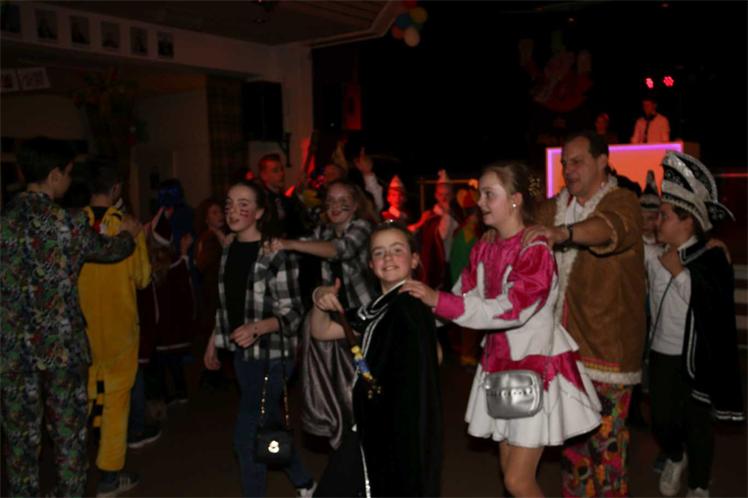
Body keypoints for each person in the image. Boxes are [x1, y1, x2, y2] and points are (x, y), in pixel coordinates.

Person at [403, 163, 601, 497]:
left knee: (517, 481)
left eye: (488, 194)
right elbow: (464, 295)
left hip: (535, 368)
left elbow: (511, 309)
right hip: (500, 370)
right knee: (510, 473)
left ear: (515, 199)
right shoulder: (485, 246)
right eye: (480, 194)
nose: (479, 202)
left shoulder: (534, 250)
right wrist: (416, 318)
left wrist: (438, 301)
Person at [1, 137, 140, 497]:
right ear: (54, 175)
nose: (69, 180)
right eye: (67, 173)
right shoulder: (67, 223)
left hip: (12, 350)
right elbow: (109, 251)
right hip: (63, 349)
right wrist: (129, 235)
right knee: (68, 438)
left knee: (20, 440)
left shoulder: (5, 222)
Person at [526, 130, 646, 497]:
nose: (568, 169)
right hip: (564, 353)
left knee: (606, 453)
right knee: (573, 451)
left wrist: (562, 233)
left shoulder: (623, 201)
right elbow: (521, 226)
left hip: (608, 353)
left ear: (602, 161)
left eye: (577, 161)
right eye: (565, 162)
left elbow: (608, 229)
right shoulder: (553, 207)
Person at [310, 222, 442, 497]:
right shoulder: (375, 311)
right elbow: (321, 331)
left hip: (393, 428)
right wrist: (320, 299)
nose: (388, 257)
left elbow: (430, 362)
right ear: (371, 265)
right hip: (369, 423)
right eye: (379, 253)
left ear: (414, 259)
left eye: (397, 249)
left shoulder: (411, 307)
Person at [203, 180, 315, 497]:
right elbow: (228, 305)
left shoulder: (274, 254)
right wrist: (214, 340)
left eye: (244, 204)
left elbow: (294, 314)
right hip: (243, 355)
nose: (233, 210)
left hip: (273, 355)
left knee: (246, 436)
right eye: (229, 204)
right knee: (268, 424)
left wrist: (258, 328)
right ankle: (305, 483)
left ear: (260, 212)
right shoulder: (229, 250)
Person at [647, 151, 744, 498]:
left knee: (697, 424)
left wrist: (680, 273)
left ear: (687, 222)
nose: (658, 222)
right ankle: (675, 456)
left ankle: (699, 485)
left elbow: (711, 301)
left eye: (665, 216)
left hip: (696, 360)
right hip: (660, 354)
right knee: (661, 419)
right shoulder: (654, 255)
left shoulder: (711, 255)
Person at [271, 179, 379, 448]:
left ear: (355, 204)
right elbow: (301, 245)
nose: (335, 206)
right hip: (337, 319)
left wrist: (289, 244)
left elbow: (339, 250)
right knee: (341, 382)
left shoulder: (363, 228)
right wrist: (271, 245)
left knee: (369, 381)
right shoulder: (324, 230)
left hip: (365, 318)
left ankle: (373, 439)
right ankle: (346, 436)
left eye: (343, 201)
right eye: (330, 201)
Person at [77, 158, 152, 496]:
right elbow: (143, 278)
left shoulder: (71, 224)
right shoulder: (128, 226)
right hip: (120, 329)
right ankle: (109, 476)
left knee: (80, 402)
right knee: (116, 404)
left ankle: (71, 469)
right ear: (117, 188)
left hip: (81, 331)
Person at [194, 197, 232, 391]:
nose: (220, 216)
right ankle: (211, 375)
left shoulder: (224, 235)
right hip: (213, 292)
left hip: (220, 290)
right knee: (214, 331)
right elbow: (201, 264)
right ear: (206, 218)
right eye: (214, 213)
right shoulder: (209, 237)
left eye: (220, 211)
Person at [411, 169, 461, 292]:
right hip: (436, 265)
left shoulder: (457, 215)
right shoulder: (430, 216)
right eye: (441, 194)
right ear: (435, 195)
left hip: (454, 264)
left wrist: (448, 213)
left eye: (447, 195)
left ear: (453, 195)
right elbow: (441, 235)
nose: (444, 198)